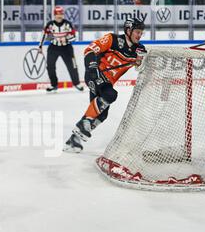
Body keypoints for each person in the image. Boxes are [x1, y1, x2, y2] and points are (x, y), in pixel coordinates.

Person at [63, 17, 147, 153]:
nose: (140, 35)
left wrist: (140, 61)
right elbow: (89, 50)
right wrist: (92, 69)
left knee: (102, 115)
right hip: (95, 74)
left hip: (107, 82)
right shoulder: (112, 39)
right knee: (110, 94)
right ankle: (83, 124)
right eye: (137, 32)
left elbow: (139, 68)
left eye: (141, 32)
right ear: (128, 30)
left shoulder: (139, 49)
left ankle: (74, 140)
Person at [38, 6, 84, 93]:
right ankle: (53, 84)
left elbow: (74, 37)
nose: (59, 16)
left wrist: (66, 39)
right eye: (57, 14)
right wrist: (40, 46)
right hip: (53, 47)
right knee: (50, 66)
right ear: (54, 15)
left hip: (66, 48)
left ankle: (77, 83)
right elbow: (43, 35)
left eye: (61, 14)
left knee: (72, 66)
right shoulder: (50, 24)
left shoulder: (68, 24)